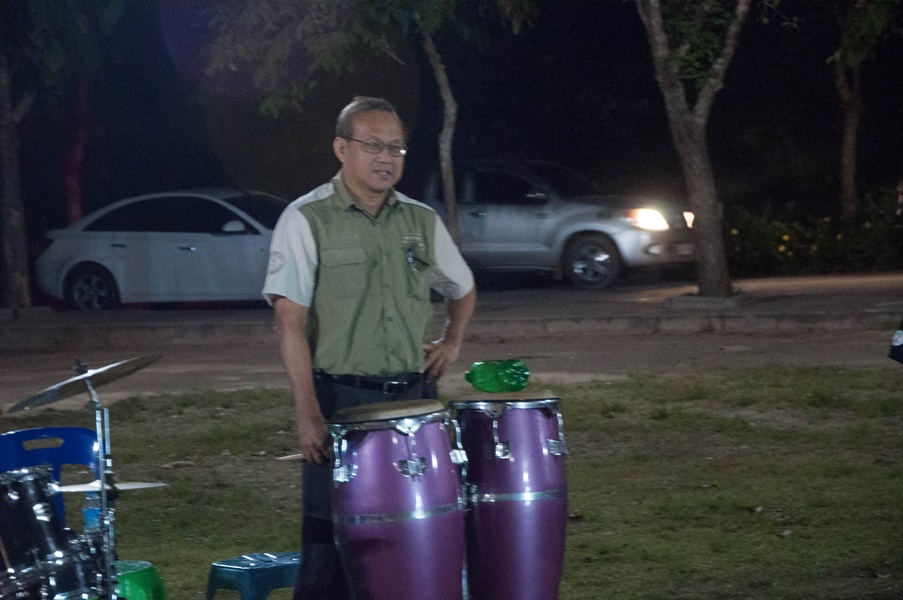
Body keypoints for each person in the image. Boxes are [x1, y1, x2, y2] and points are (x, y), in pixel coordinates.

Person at [262, 96, 476, 599]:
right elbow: (289, 322)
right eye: (374, 146)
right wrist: (307, 412)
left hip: (416, 401)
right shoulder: (306, 218)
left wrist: (452, 340)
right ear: (342, 148)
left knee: (420, 533)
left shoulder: (420, 221)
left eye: (396, 147)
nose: (387, 158)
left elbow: (462, 288)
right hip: (342, 403)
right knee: (332, 542)